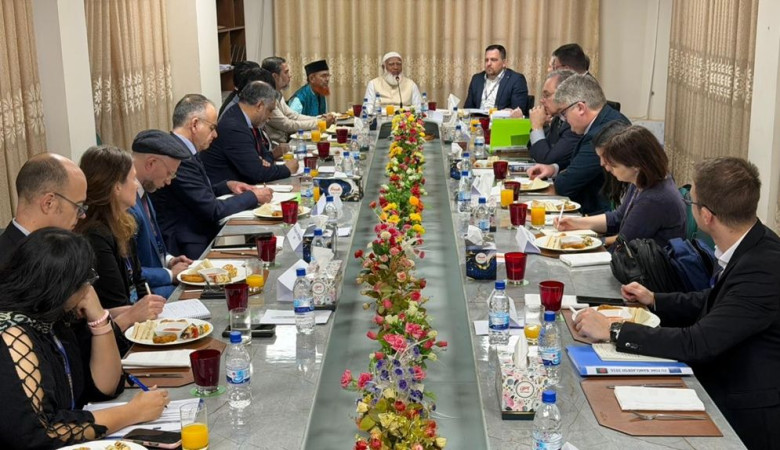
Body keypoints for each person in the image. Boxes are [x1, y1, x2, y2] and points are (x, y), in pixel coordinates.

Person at [574, 157, 780, 450]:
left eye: (690, 202)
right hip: (723, 380)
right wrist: (655, 299)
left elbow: (698, 342)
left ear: (706, 215)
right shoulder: (756, 243)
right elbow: (717, 301)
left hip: (743, 414)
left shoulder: (763, 267)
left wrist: (614, 330)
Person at [0, 228, 169, 448]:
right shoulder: (12, 333)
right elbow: (41, 432)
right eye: (85, 281)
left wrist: (99, 317)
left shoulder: (53, 319)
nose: (88, 288)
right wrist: (132, 412)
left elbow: (105, 387)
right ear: (61, 287)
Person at [150, 94, 272, 259]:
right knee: (259, 254)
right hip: (190, 244)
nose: (215, 135)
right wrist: (253, 196)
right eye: (212, 128)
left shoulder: (184, 148)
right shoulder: (177, 157)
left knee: (264, 240)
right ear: (195, 124)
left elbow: (198, 193)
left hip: (202, 232)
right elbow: (212, 209)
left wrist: (227, 185)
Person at [74, 146, 167, 334]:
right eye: (132, 179)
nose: (136, 186)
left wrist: (149, 310)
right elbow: (115, 303)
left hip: (136, 322)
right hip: (117, 332)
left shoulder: (124, 222)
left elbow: (139, 281)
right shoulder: (95, 237)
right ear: (117, 187)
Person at [554, 123, 686, 247]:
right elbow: (618, 218)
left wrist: (583, 241)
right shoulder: (641, 180)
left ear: (635, 165)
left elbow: (622, 243)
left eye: (613, 165)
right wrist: (576, 223)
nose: (607, 168)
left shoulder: (654, 199)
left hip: (645, 262)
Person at [527, 74, 630, 215]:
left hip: (598, 213)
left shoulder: (604, 133)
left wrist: (563, 173)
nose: (565, 120)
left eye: (564, 113)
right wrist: (554, 168)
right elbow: (578, 163)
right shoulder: (603, 119)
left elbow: (565, 185)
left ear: (581, 108)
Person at [129, 129, 193, 298]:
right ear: (151, 163)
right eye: (169, 173)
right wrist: (170, 274)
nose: (169, 181)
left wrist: (169, 260)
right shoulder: (126, 204)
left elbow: (152, 245)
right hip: (147, 295)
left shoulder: (145, 193)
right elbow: (128, 270)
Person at [201, 81, 298, 185]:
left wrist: (263, 159)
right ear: (260, 106)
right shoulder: (234, 127)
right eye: (270, 110)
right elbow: (257, 173)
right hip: (226, 190)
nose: (270, 117)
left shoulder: (244, 118)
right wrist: (287, 169)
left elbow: (263, 154)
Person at [0, 153, 87, 267]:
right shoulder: (7, 265)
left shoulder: (63, 249)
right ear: (48, 203)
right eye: (78, 206)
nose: (83, 215)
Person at [262, 56, 335, 143]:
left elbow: (293, 116)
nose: (290, 75)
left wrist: (320, 119)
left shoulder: (277, 93)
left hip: (285, 143)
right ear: (275, 76)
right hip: (276, 146)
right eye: (286, 72)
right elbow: (287, 124)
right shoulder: (267, 98)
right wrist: (320, 123)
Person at [528, 69, 579, 165]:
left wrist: (536, 127)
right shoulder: (558, 118)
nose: (542, 101)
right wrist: (541, 125)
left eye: (547, 95)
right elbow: (533, 151)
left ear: (564, 95)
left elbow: (547, 160)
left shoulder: (575, 123)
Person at [464, 44, 529, 115]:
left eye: (493, 60)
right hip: (477, 120)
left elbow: (517, 112)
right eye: (486, 60)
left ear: (504, 63)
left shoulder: (516, 80)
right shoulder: (477, 79)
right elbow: (467, 109)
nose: (488, 63)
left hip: (501, 121)